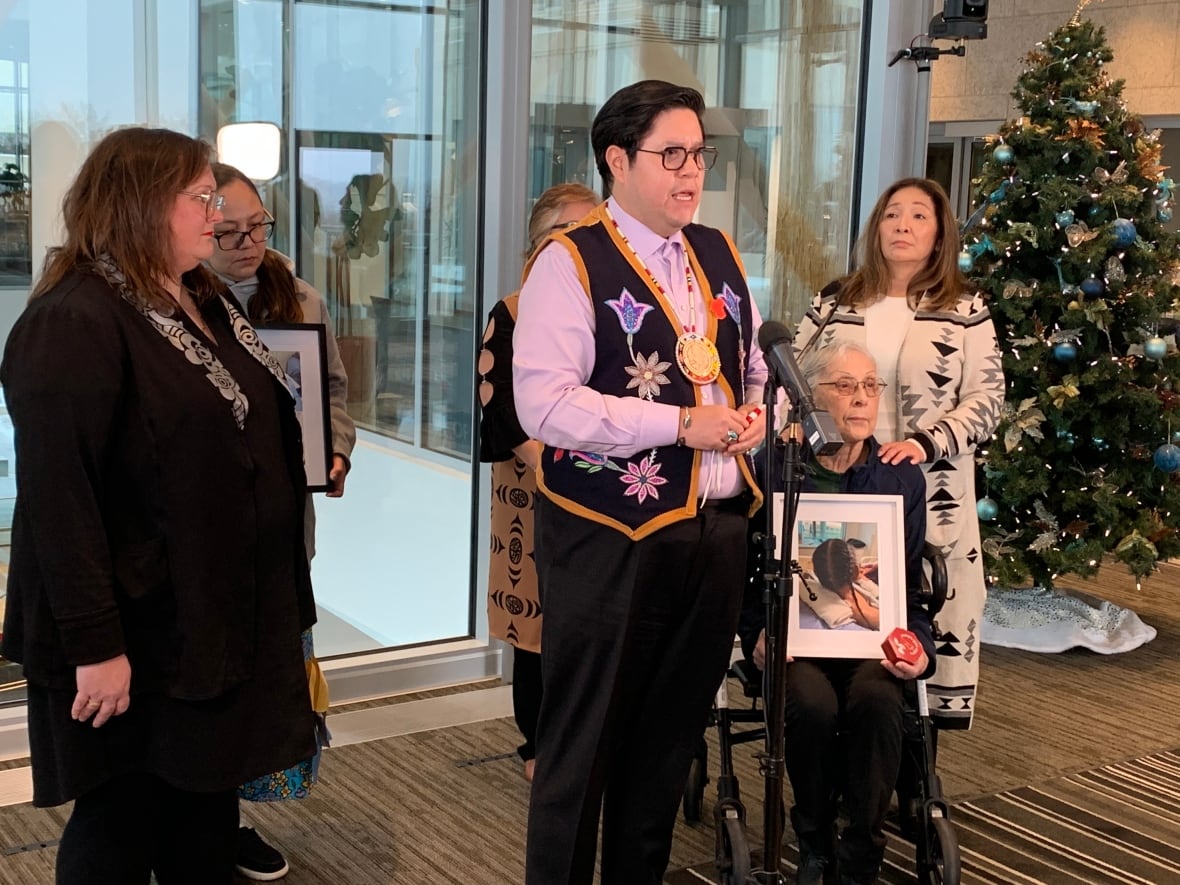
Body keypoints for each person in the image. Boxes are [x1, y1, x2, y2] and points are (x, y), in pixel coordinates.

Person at [0, 127, 317, 884]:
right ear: (140, 204)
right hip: (135, 628)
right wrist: (95, 646)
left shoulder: (197, 293)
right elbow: (58, 501)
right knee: (120, 820)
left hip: (204, 619)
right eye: (200, 197)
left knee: (202, 806)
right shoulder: (75, 319)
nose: (217, 212)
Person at [513, 79, 770, 885]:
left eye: (699, 154)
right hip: (609, 540)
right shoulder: (571, 260)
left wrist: (760, 411)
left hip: (716, 533)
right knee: (581, 750)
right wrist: (679, 424)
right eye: (672, 155)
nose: (690, 172)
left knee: (664, 750)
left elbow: (754, 368)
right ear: (617, 161)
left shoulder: (720, 252)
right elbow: (544, 404)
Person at [793, 177, 1003, 731]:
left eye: (919, 217)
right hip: (833, 480)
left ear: (939, 236)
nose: (903, 226)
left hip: (926, 488)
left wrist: (925, 443)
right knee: (825, 607)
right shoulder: (836, 299)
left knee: (916, 612)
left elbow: (988, 398)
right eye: (892, 215)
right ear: (876, 228)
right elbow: (789, 375)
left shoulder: (964, 307)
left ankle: (907, 759)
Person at [206, 161, 357, 881]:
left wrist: (335, 452)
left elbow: (331, 391)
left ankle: (231, 820)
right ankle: (195, 821)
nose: (246, 243)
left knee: (269, 678)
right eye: (228, 231)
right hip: (202, 529)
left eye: (257, 226)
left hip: (280, 524)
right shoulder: (171, 305)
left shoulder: (298, 297)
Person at [746, 341, 936, 885]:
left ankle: (862, 851)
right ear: (807, 396)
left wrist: (918, 644)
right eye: (844, 386)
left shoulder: (899, 478)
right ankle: (814, 840)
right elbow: (742, 572)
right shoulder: (771, 468)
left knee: (879, 701)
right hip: (794, 642)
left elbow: (912, 591)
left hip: (873, 647)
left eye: (870, 386)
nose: (861, 399)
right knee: (810, 704)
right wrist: (758, 631)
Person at [478, 182, 598, 784]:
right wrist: (556, 466)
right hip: (536, 484)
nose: (577, 246)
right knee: (537, 621)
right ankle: (539, 745)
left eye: (589, 232)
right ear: (537, 244)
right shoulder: (514, 308)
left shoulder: (614, 308)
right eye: (564, 234)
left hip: (604, 487)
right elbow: (497, 407)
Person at [800, 537, 881, 631]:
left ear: (816, 572)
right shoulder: (860, 608)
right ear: (854, 570)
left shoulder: (811, 586)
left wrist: (860, 577)